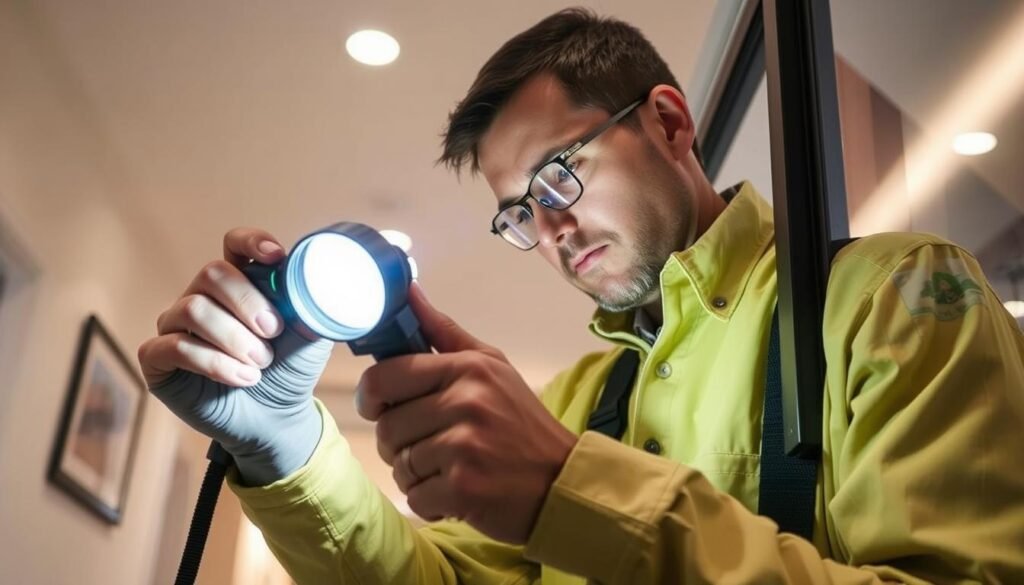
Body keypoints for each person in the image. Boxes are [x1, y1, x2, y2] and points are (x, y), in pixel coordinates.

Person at [138, 8, 1024, 584]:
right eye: (517, 213)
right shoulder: (575, 399)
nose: (550, 228)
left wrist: (574, 487)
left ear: (670, 124)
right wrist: (289, 448)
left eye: (558, 176)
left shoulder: (896, 295)